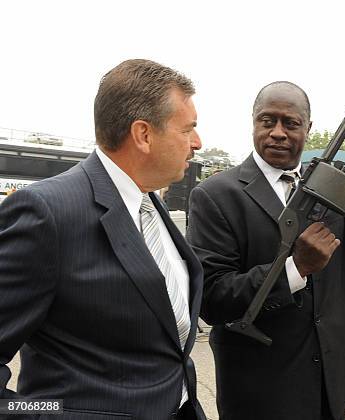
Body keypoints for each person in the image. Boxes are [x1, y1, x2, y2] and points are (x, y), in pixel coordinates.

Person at [187, 81, 345, 420]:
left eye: (290, 123)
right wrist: (295, 269)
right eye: (267, 121)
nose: (278, 132)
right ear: (253, 122)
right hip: (261, 392)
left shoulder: (332, 185)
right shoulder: (216, 195)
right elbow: (212, 299)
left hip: (331, 384)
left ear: (308, 128)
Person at [0, 59, 207, 419]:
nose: (197, 143)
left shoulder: (149, 202)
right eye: (188, 129)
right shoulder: (47, 213)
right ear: (143, 134)